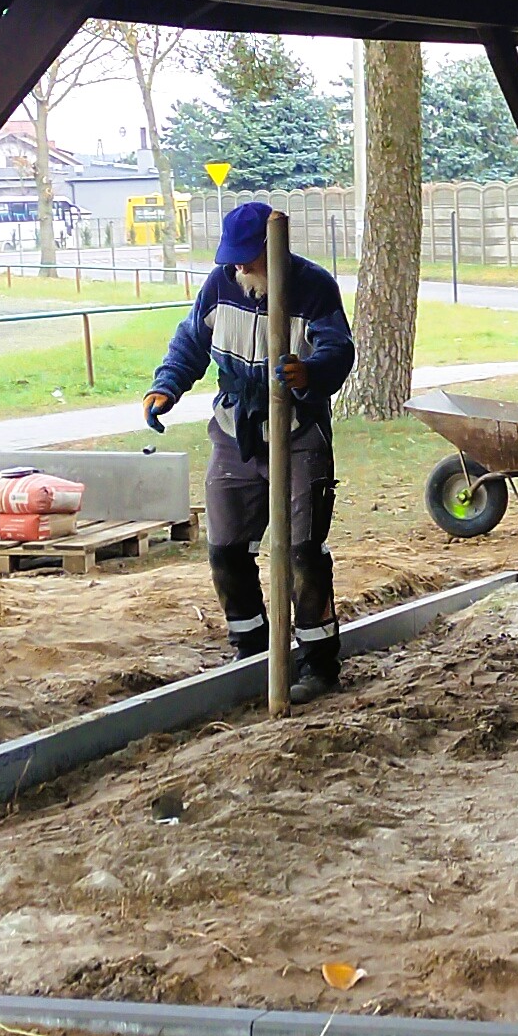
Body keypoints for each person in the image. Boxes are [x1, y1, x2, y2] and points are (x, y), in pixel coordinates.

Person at [147, 201, 356, 691]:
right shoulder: (221, 283)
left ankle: (319, 662)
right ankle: (251, 645)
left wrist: (311, 373)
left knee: (300, 553)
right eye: (233, 258)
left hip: (297, 433)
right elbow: (191, 341)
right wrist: (167, 385)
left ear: (273, 249)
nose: (239, 267)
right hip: (234, 429)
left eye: (248, 257)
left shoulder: (314, 286)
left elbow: (338, 349)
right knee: (224, 548)